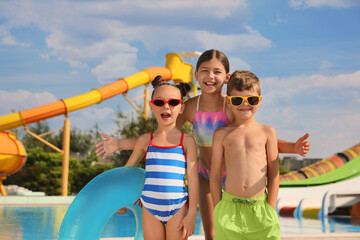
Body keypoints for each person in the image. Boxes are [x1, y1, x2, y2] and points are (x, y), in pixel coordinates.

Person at [96, 49, 310, 240]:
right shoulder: (190, 107)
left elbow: (253, 138)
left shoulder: (233, 104)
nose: (210, 76)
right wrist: (119, 144)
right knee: (212, 231)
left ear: (226, 77)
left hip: (232, 176)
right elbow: (163, 136)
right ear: (196, 75)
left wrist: (293, 148)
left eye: (217, 71)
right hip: (205, 174)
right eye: (205, 71)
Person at [116, 76, 199, 240]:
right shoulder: (145, 140)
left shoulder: (187, 141)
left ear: (181, 108)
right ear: (151, 106)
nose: (166, 107)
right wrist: (120, 200)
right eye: (159, 102)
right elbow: (127, 172)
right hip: (150, 206)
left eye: (173, 103)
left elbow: (193, 178)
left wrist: (192, 214)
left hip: (178, 206)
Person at [210, 70, 280, 239]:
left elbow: (274, 174)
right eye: (237, 100)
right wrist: (218, 207)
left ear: (260, 100)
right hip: (228, 209)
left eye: (252, 99)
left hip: (261, 209)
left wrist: (270, 208)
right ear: (229, 102)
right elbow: (215, 175)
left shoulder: (267, 132)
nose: (245, 104)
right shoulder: (221, 134)